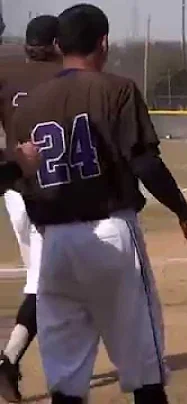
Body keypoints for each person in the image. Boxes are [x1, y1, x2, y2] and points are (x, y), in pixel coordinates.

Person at [10, 4, 187, 402]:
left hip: (53, 245)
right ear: (104, 43)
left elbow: (21, 180)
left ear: (59, 45)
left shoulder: (27, 107)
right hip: (111, 233)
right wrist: (184, 211)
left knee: (66, 378)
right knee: (143, 369)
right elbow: (145, 161)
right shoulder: (116, 89)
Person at [0, 14, 62, 402]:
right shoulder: (65, 78)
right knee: (44, 284)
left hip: (13, 191)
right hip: (51, 194)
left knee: (41, 280)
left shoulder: (7, 75)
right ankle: (7, 361)